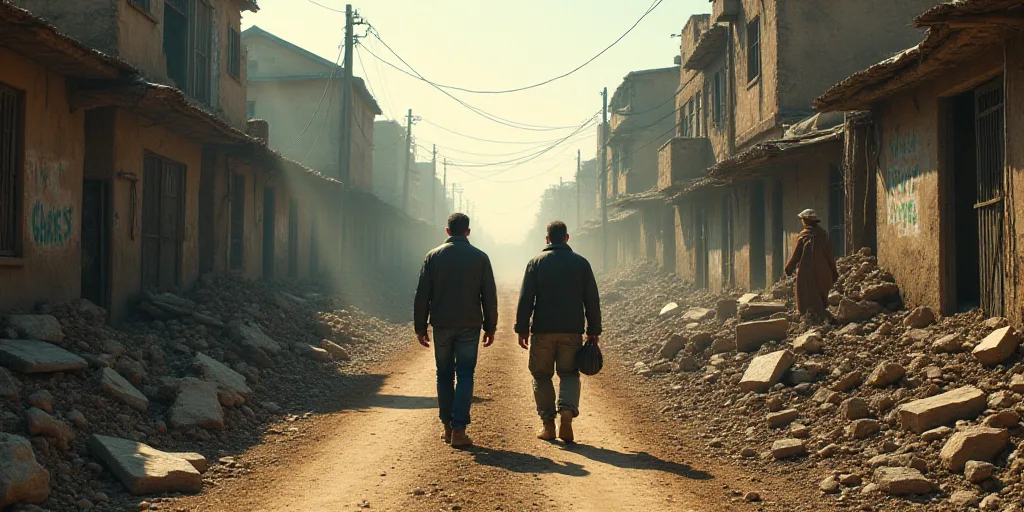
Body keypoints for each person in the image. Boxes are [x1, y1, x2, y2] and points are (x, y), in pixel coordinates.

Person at [414, 213, 498, 448]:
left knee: (444, 374)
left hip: (441, 324)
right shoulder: (480, 258)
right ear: (468, 231)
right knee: (465, 375)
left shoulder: (433, 257)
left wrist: (420, 326)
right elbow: (489, 296)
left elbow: (422, 295)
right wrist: (490, 326)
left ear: (447, 231)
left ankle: (447, 427)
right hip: (470, 325)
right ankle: (459, 429)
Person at [515, 220, 601, 444]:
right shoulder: (581, 264)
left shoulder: (535, 263)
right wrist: (593, 330)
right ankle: (566, 415)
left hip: (542, 330)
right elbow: (591, 300)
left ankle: (548, 425)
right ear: (567, 238)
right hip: (572, 331)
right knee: (569, 373)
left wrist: (522, 328)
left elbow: (526, 299)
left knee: (541, 375)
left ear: (547, 239)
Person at [784, 209, 839, 323]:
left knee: (807, 294)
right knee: (820, 294)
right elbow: (830, 255)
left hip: (806, 273)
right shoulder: (823, 235)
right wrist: (834, 271)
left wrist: (788, 269)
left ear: (806, 221)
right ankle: (822, 316)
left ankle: (812, 316)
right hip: (823, 272)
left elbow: (796, 256)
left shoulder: (803, 236)